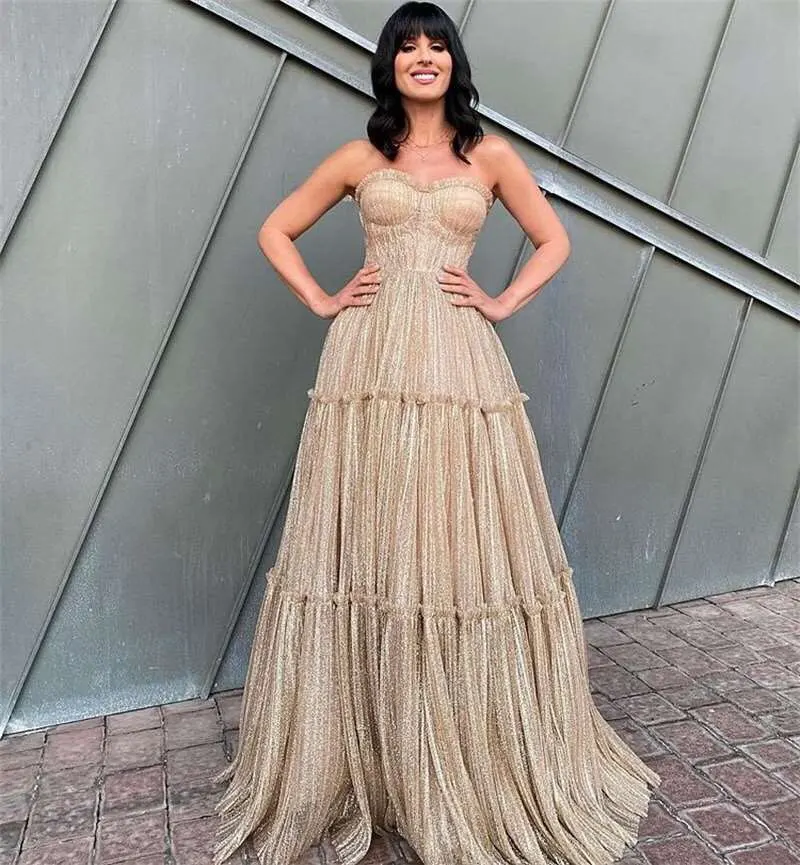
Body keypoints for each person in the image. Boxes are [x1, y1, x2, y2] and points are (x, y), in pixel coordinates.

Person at [212, 2, 661, 864]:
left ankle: (457, 740)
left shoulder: (489, 155)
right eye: (408, 46)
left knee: (452, 539)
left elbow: (552, 240)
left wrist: (501, 300)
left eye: (438, 45)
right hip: (369, 363)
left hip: (456, 360)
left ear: (455, 62)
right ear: (389, 65)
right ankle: (370, 745)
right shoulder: (360, 156)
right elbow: (275, 228)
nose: (424, 57)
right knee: (374, 534)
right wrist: (322, 298)